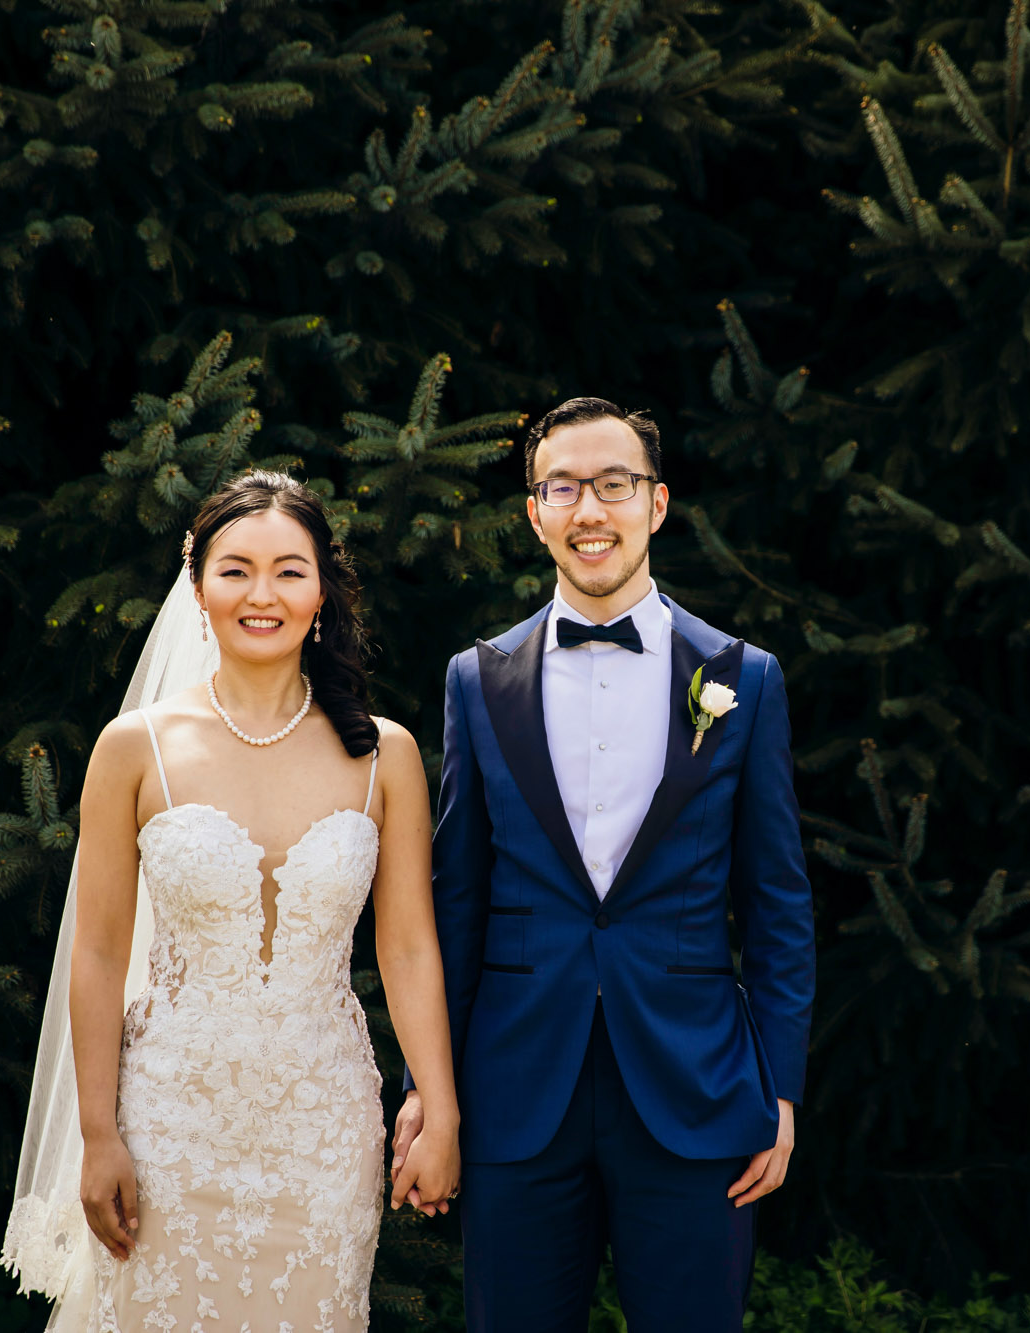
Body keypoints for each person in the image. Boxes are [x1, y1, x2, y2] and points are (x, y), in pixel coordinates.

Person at [2, 470, 460, 1333]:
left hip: (323, 1131)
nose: (263, 594)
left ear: (321, 590)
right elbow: (97, 952)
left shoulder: (384, 754)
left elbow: (406, 949)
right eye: (236, 569)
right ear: (199, 586)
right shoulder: (136, 747)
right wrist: (99, 1133)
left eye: (290, 570)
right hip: (167, 1124)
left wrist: (439, 1105)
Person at [394, 398, 816, 1331]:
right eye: (563, 486)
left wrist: (779, 1090)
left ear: (656, 505)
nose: (591, 509)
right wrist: (435, 1090)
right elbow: (455, 903)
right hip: (516, 1092)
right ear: (534, 512)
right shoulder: (478, 679)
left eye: (614, 484)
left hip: (697, 1090)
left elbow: (777, 900)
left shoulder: (745, 679)